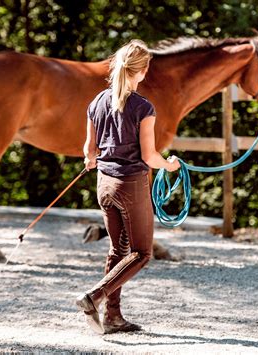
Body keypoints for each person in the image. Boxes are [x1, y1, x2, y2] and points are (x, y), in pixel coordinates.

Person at [76, 39, 180, 334]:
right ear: (143, 71)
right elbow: (149, 156)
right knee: (142, 253)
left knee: (118, 249)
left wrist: (91, 159)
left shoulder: (96, 101)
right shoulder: (143, 107)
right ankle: (94, 296)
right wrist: (170, 165)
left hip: (104, 186)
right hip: (130, 185)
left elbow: (89, 150)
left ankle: (112, 317)